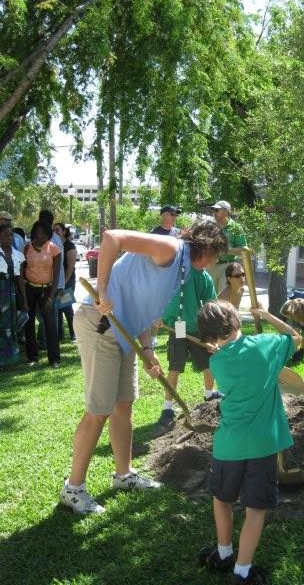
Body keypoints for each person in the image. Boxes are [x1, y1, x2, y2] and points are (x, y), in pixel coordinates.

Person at [60, 220, 228, 514]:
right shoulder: (171, 248)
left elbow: (145, 306)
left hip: (124, 330)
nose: (215, 261)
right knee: (99, 410)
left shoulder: (184, 269)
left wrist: (148, 349)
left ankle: (123, 475)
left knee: (124, 404)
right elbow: (113, 238)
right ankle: (73, 489)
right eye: (216, 254)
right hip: (100, 325)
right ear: (205, 247)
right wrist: (103, 289)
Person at [196, 300, 301, 585]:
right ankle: (242, 572)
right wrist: (267, 315)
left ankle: (223, 552)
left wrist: (220, 347)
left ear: (209, 335)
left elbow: (232, 356)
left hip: (228, 445)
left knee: (222, 499)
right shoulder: (266, 345)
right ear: (237, 321)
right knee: (255, 509)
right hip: (262, 445)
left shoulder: (216, 361)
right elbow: (296, 337)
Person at [158, 260, 222, 427]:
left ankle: (209, 394)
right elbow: (160, 295)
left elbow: (211, 305)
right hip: (178, 327)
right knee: (175, 366)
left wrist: (212, 335)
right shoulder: (171, 272)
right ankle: (167, 408)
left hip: (195, 326)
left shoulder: (202, 276)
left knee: (207, 362)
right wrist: (159, 316)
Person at [23, 220, 62, 368]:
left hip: (47, 289)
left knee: (50, 324)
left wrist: (51, 297)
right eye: (37, 232)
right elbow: (22, 270)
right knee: (29, 323)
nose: (40, 235)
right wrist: (24, 296)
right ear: (33, 233)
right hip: (29, 288)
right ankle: (32, 357)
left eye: (44, 233)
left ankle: (55, 359)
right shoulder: (27, 248)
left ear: (48, 234)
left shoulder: (54, 249)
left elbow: (56, 275)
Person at [0, 223, 27, 369]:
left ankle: (9, 359)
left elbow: (20, 279)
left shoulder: (18, 255)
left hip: (10, 295)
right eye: (5, 235)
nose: (9, 238)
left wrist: (24, 299)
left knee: (10, 325)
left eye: (11, 235)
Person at [207, 200, 247, 292]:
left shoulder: (236, 227)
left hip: (227, 266)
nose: (214, 213)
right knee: (210, 298)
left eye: (217, 210)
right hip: (210, 265)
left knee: (223, 296)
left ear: (226, 211)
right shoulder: (210, 226)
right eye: (213, 210)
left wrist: (226, 250)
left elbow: (243, 249)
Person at [53, 223, 77, 341]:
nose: (54, 232)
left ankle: (74, 333)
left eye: (57, 230)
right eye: (53, 230)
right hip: (58, 281)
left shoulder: (69, 246)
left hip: (68, 281)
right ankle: (59, 334)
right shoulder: (54, 244)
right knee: (57, 307)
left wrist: (64, 283)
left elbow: (70, 267)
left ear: (64, 232)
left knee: (67, 307)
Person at [280, 297, 304, 362]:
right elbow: (282, 314)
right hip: (291, 316)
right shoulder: (286, 307)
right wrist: (294, 319)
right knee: (292, 334)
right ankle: (294, 351)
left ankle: (301, 350)